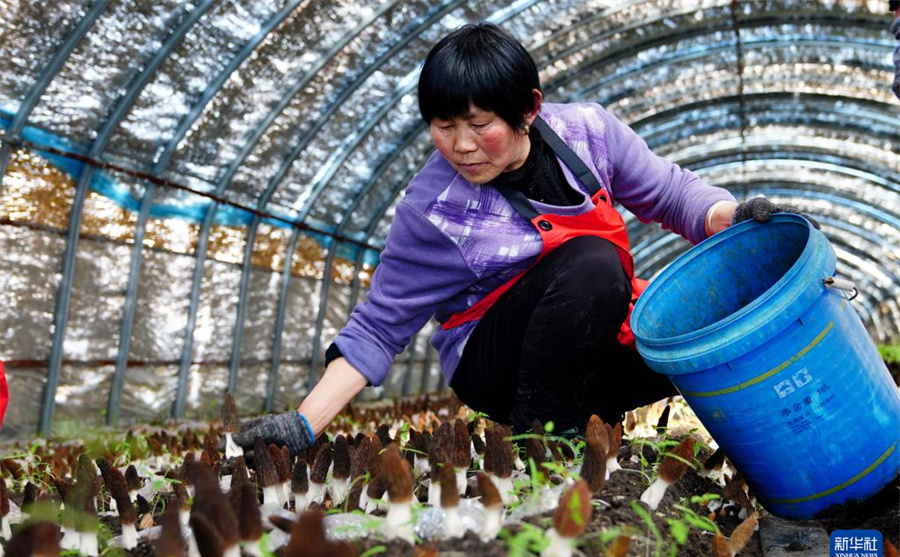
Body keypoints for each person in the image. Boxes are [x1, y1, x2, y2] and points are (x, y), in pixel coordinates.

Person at [230, 23, 807, 456]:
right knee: (593, 263)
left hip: (588, 336)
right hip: (497, 363)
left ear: (529, 108)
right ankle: (543, 442)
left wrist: (731, 215)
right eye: (443, 125)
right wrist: (304, 424)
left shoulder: (589, 134)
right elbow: (380, 326)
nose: (460, 145)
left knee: (691, 332)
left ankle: (764, 445)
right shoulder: (435, 211)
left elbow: (675, 195)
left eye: (480, 124)